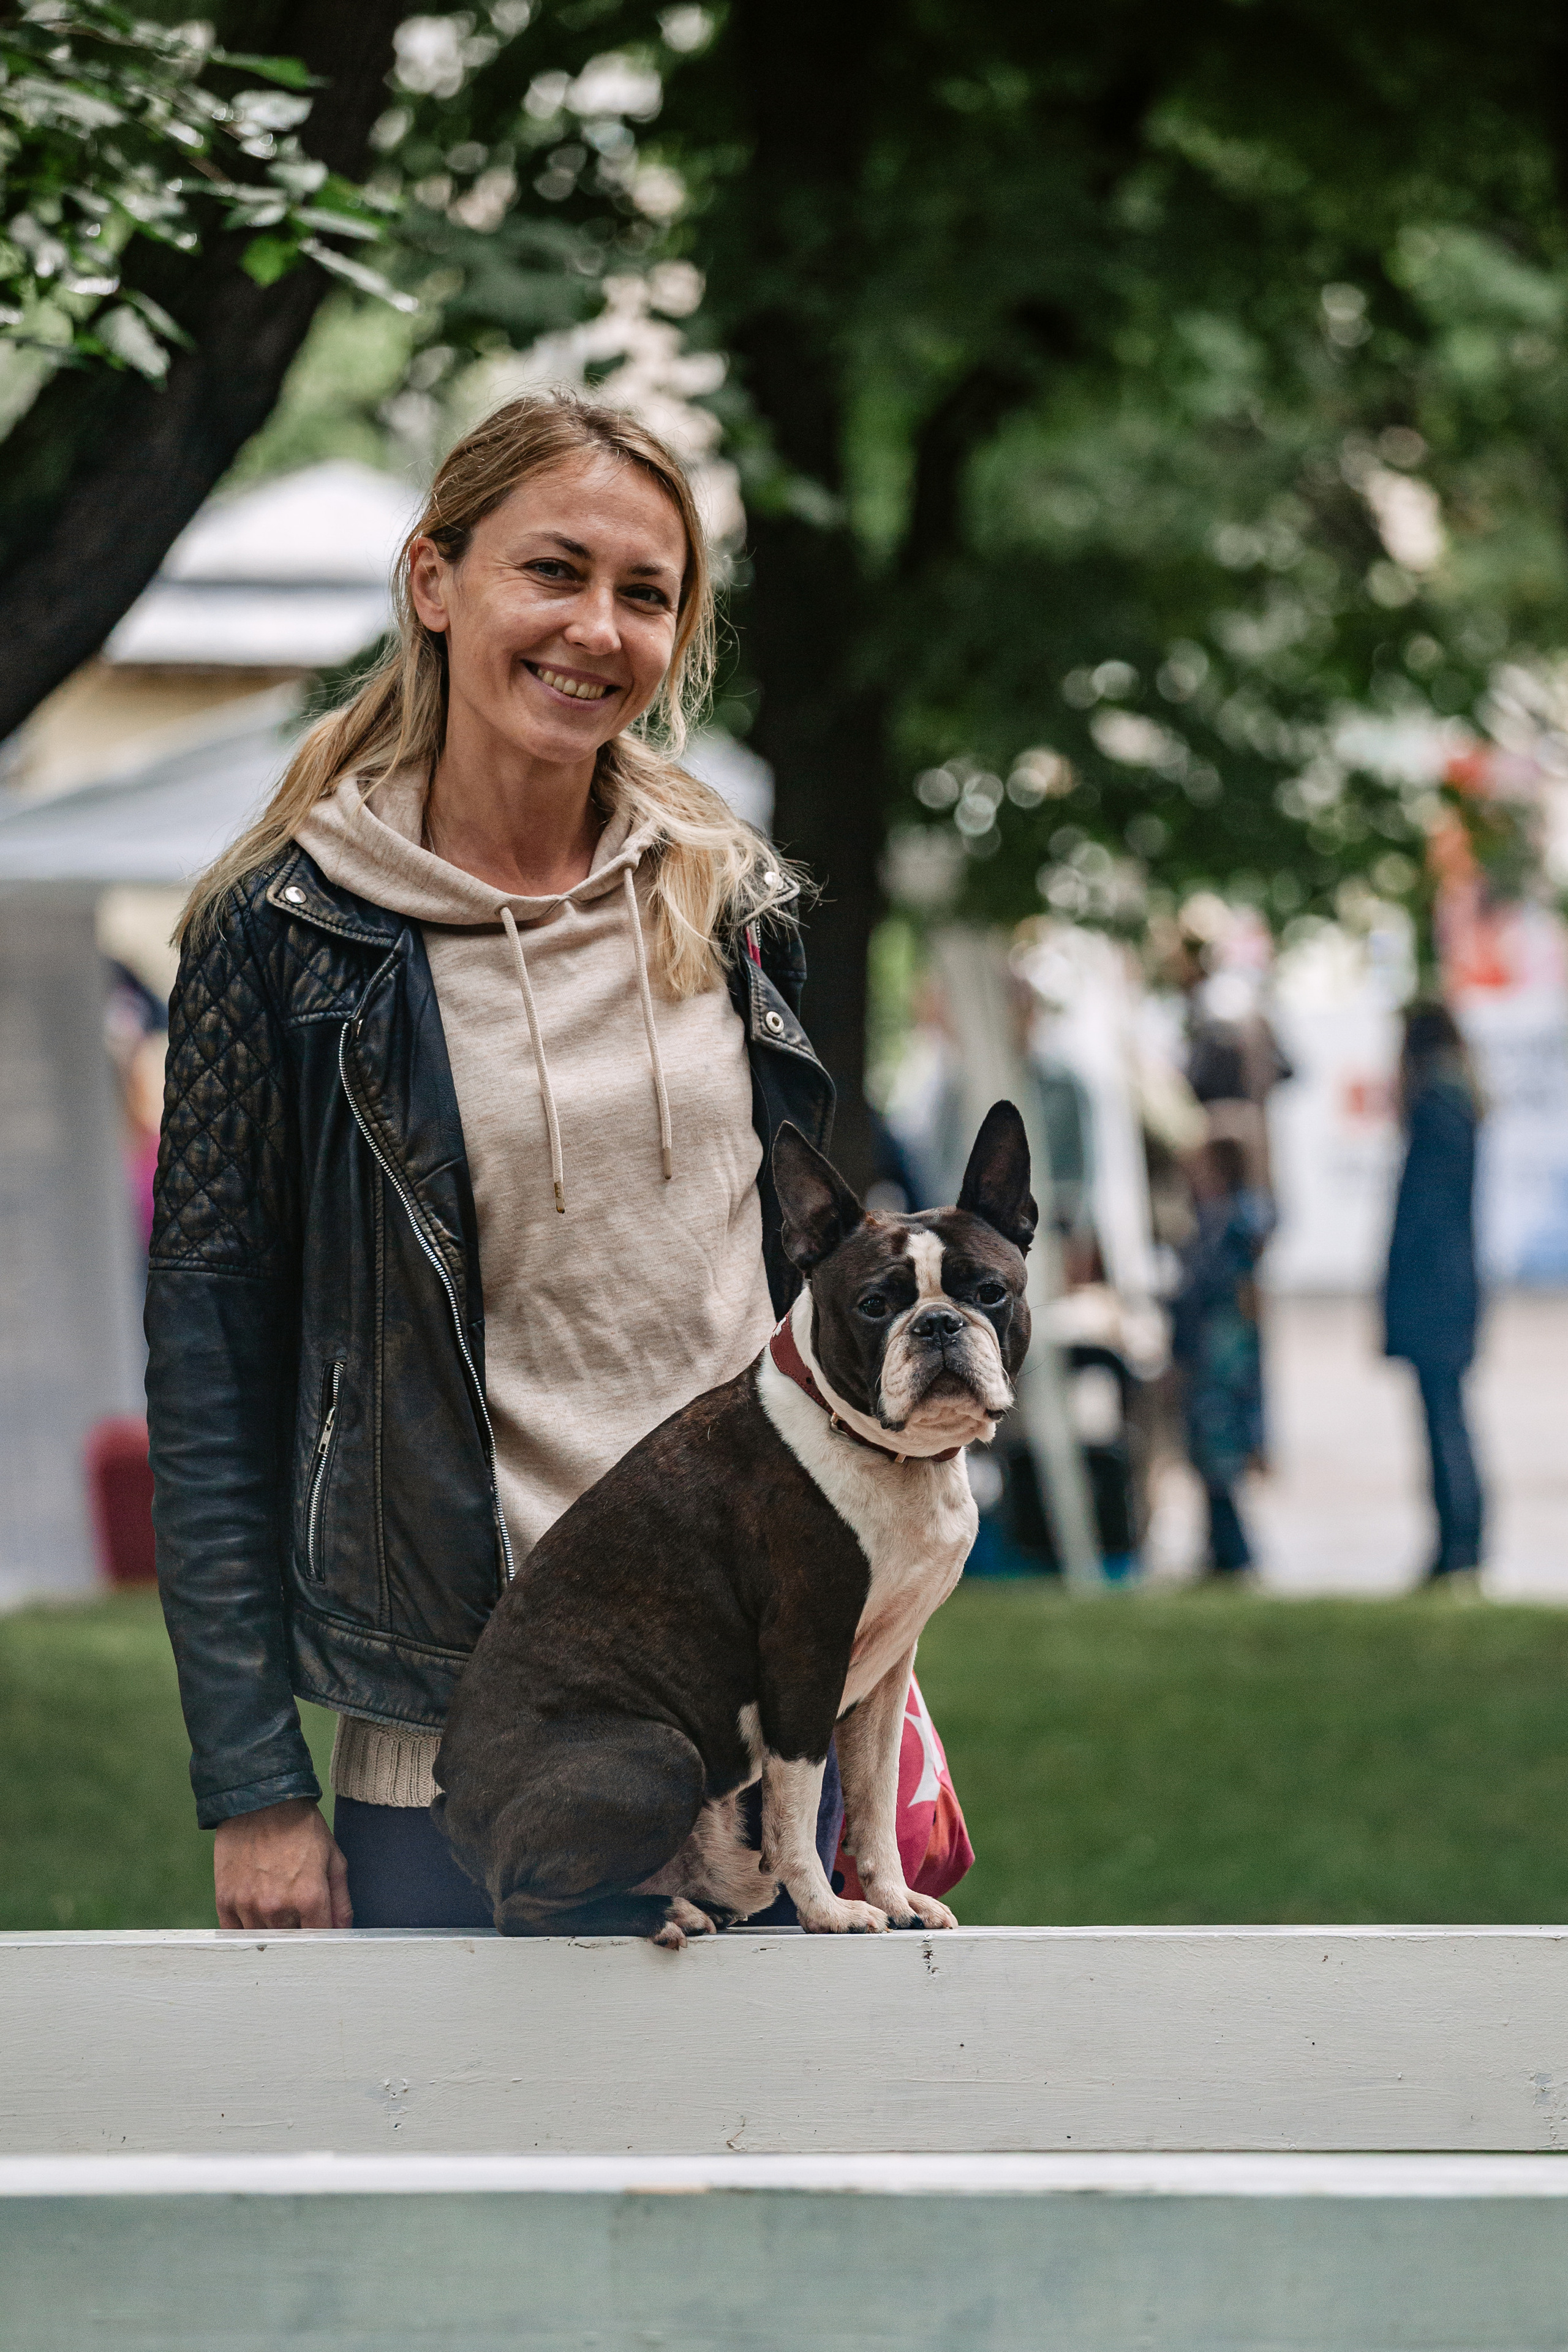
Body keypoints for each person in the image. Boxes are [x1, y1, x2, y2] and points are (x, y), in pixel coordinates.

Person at [145, 394, 839, 1931]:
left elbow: (803, 1331)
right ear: (432, 582)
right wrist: (254, 1784)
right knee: (466, 2183)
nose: (595, 628)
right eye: (553, 570)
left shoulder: (729, 905)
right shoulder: (282, 940)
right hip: (471, 1759)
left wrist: (871, 1686)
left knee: (774, 2176)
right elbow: (212, 1385)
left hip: (754, 1742)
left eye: (644, 593)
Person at [1382, 1000, 1485, 1586]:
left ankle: (1458, 1546)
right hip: (1448, 1284)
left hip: (1434, 1290)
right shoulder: (1456, 1099)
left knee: (1443, 1421)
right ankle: (1457, 1543)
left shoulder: (1438, 1104)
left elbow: (1423, 1216)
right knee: (1447, 1417)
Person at [1170, 1135, 1274, 1578]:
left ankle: (1234, 1553)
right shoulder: (1220, 1225)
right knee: (1212, 1456)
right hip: (1217, 1356)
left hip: (1219, 1358)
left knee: (1219, 1454)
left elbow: (1200, 1295)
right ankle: (1222, 1548)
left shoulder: (1228, 1228)